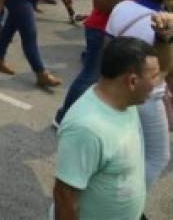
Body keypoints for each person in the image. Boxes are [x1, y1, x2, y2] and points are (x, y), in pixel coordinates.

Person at [52, 37, 158, 220]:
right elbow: (64, 197)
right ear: (132, 81)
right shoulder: (87, 129)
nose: (157, 84)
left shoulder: (124, 99)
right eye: (154, 78)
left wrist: (165, 38)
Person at [54, 0, 147, 126]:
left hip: (123, 32)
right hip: (101, 30)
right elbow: (101, 5)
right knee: (90, 75)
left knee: (112, 79)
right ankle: (63, 116)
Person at [103, 0, 173, 190]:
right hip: (147, 97)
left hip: (114, 89)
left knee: (117, 151)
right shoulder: (165, 23)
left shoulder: (122, 6)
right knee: (156, 156)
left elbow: (107, 48)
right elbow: (165, 71)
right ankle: (129, 202)